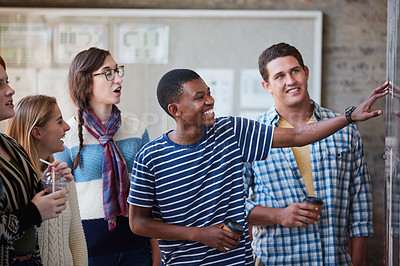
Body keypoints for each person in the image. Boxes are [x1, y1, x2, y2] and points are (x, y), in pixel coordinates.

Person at [128, 68, 388, 265]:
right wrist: (198, 234)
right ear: (175, 109)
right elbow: (138, 223)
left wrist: (350, 117)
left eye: (209, 93)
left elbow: (298, 135)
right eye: (199, 97)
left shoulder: (231, 131)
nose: (210, 101)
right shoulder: (150, 158)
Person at [243, 42, 376, 265]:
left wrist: (358, 261)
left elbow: (360, 203)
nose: (290, 81)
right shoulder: (253, 136)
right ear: (267, 86)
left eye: (295, 71)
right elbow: (232, 203)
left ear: (306, 72)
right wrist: (279, 215)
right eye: (279, 76)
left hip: (335, 260)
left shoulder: (344, 130)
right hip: (276, 260)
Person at [54, 47, 160, 266]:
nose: (118, 79)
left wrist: (156, 246)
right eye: (108, 73)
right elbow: (58, 201)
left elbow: (149, 193)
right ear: (85, 81)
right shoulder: (67, 133)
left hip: (135, 245)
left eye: (118, 71)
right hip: (87, 248)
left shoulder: (136, 130)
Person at [0, 56, 69, 265]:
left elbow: (25, 199)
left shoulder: (11, 145)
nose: (10, 90)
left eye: (7, 81)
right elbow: (30, 211)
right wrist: (33, 213)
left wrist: (49, 184)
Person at [6, 95, 88, 266]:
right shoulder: (15, 186)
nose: (66, 127)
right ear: (37, 132)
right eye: (59, 121)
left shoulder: (61, 176)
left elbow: (76, 238)